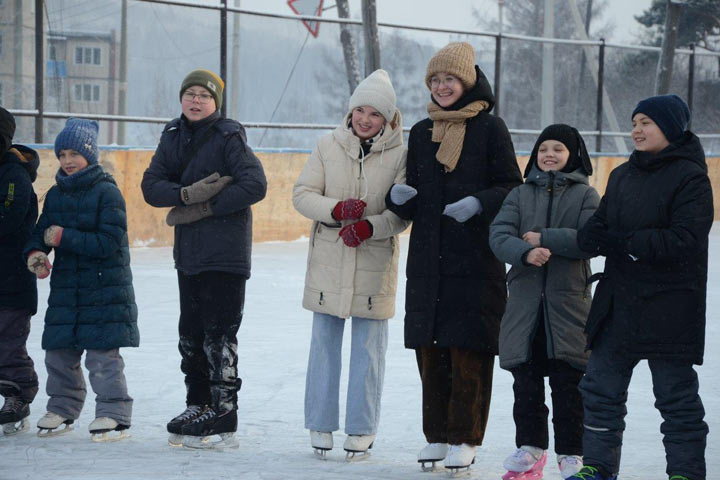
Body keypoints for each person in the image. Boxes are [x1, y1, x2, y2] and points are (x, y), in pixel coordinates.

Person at [385, 42, 523, 472]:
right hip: (429, 258)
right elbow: (413, 192)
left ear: (467, 81)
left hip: (474, 258)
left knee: (469, 350)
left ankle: (465, 437)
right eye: (435, 80)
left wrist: (480, 203)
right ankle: (437, 435)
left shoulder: (490, 128)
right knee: (431, 350)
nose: (442, 87)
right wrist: (399, 199)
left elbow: (512, 187)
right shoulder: (422, 132)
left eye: (450, 79)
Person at [570, 94, 712, 480]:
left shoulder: (691, 178)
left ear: (670, 127)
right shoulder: (621, 175)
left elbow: (685, 239)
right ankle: (597, 468)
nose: (636, 130)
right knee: (599, 392)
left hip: (670, 306)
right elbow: (599, 227)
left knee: (676, 397)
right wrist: (593, 237)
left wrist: (627, 242)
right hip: (618, 303)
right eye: (634, 122)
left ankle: (685, 472)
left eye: (646, 122)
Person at [141, 69, 267, 449]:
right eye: (190, 94)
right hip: (189, 255)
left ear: (216, 102)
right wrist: (184, 196)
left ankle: (223, 410)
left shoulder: (229, 135)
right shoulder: (173, 135)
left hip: (225, 255)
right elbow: (151, 186)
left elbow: (255, 184)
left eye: (204, 96)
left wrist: (208, 205)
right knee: (191, 336)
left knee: (219, 337)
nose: (196, 101)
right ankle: (197, 404)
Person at [293, 69, 409, 460]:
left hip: (374, 264)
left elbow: (403, 213)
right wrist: (336, 210)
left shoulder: (402, 155)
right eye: (359, 110)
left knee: (369, 351)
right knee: (323, 347)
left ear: (388, 119)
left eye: (374, 113)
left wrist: (369, 226)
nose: (364, 119)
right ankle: (320, 424)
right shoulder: (328, 145)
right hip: (329, 261)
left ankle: (362, 429)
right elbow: (302, 194)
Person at [489, 124, 600, 480]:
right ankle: (531, 447)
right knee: (526, 383)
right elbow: (499, 235)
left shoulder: (586, 196)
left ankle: (571, 453)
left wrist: (546, 238)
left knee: (569, 386)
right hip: (525, 308)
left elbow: (592, 238)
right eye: (543, 149)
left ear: (574, 156)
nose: (549, 154)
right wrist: (525, 252)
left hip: (568, 308)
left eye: (558, 149)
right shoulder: (520, 195)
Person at [24, 118, 139, 441]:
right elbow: (41, 231)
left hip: (104, 288)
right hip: (66, 290)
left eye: (74, 153)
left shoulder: (107, 192)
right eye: (62, 155)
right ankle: (62, 407)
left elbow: (108, 242)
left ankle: (113, 412)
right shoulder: (57, 194)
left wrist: (63, 237)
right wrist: (36, 253)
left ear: (90, 154)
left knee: (102, 357)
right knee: (58, 353)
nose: (67, 161)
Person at [0, 107, 40, 436]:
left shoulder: (15, 174)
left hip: (11, 278)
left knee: (9, 341)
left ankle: (18, 396)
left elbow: (9, 218)